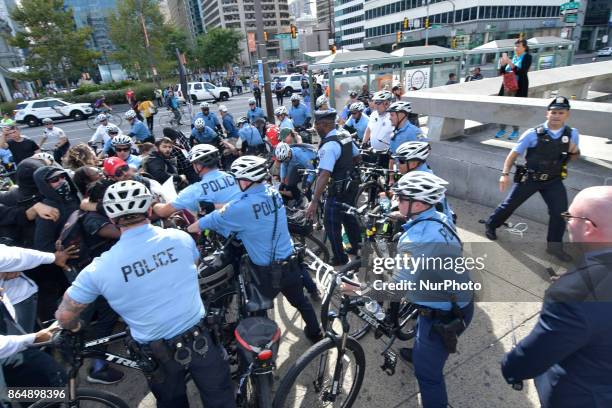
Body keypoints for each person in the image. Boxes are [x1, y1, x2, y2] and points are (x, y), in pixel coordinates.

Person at [55, 180, 236, 408]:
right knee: (220, 399)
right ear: (150, 210)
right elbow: (193, 266)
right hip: (201, 338)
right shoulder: (180, 239)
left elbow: (64, 316)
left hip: (157, 354)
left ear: (111, 219)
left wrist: (75, 328)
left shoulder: (98, 269)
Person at [187, 156, 323, 342]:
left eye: (237, 180)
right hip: (289, 261)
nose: (235, 183)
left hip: (265, 273)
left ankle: (263, 357)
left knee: (257, 312)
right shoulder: (273, 193)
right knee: (301, 302)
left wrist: (186, 230)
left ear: (245, 180)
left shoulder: (239, 208)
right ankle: (316, 335)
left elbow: (210, 220)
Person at [501, 185, 612, 408]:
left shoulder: (574, 295)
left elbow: (533, 355)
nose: (568, 222)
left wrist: (510, 367)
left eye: (570, 216)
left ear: (589, 227)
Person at [391, 171, 473, 408]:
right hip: (458, 298)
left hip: (443, 317)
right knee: (422, 342)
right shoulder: (438, 217)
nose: (396, 200)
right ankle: (420, 355)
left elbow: (395, 289)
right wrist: (402, 215)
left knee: (429, 377)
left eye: (401, 197)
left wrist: (355, 290)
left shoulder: (416, 239)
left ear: (417, 203)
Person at [485, 96, 580, 261]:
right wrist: (504, 174)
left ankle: (554, 247)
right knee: (509, 205)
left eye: (561, 112)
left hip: (554, 180)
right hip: (530, 178)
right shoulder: (533, 134)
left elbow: (572, 157)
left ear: (567, 115)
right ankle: (491, 225)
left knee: (560, 213)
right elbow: (513, 155)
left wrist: (575, 152)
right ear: (547, 114)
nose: (557, 115)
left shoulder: (572, 134)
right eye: (554, 112)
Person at [305, 109, 361, 266]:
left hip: (337, 191)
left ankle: (339, 257)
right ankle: (357, 248)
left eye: (317, 126)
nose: (315, 129)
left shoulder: (329, 146)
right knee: (349, 218)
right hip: (351, 186)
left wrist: (314, 201)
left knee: (330, 224)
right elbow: (357, 156)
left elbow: (324, 174)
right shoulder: (344, 135)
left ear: (324, 125)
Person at [153, 144, 240, 218]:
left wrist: (154, 204)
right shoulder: (234, 176)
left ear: (198, 166)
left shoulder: (194, 191)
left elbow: (163, 212)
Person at [391, 141, 455, 223]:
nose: (397, 163)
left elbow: (429, 216)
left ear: (413, 164)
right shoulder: (415, 174)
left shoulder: (423, 181)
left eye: (401, 161)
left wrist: (403, 217)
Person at [496, 38, 532, 140]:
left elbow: (522, 71)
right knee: (503, 108)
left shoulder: (527, 57)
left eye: (518, 46)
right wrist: (502, 65)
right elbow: (503, 73)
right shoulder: (514, 57)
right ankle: (502, 129)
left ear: (524, 47)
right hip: (507, 86)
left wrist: (510, 63)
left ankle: (515, 130)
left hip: (518, 87)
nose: (516, 48)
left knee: (515, 109)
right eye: (515, 46)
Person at [362, 90, 394, 168]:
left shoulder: (393, 117)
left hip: (387, 155)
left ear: (387, 103)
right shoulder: (374, 114)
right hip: (373, 152)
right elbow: (369, 129)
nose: (375, 106)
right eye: (374, 102)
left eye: (378, 103)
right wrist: (364, 143)